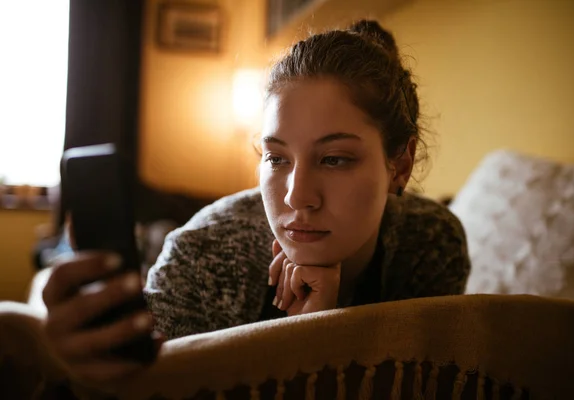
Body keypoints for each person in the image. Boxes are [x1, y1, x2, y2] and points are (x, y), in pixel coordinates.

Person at [41, 20, 470, 386]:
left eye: (335, 159)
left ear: (400, 164)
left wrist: (316, 334)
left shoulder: (430, 243)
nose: (296, 197)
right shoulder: (202, 253)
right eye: (277, 158)